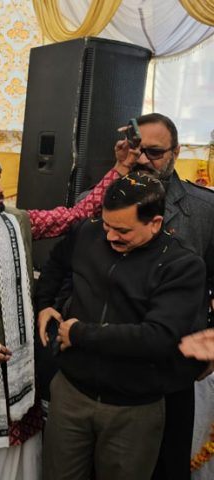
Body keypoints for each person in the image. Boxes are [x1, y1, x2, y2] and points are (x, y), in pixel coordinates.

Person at [0, 146, 133, 480]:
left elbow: (74, 216)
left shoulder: (16, 222)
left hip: (18, 369)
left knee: (23, 461)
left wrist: (117, 168)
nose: (0, 188)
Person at [35, 171, 207, 480]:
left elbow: (158, 338)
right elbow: (57, 263)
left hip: (134, 409)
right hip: (71, 395)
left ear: (155, 223)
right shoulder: (88, 233)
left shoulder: (182, 265)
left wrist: (79, 333)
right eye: (106, 225)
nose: (110, 236)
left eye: (123, 230)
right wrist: (45, 303)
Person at [115, 112, 214, 480]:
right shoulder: (100, 203)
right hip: (111, 364)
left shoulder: (204, 210)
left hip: (173, 369)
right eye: (137, 149)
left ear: (176, 152)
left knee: (166, 466)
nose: (143, 159)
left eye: (154, 152)